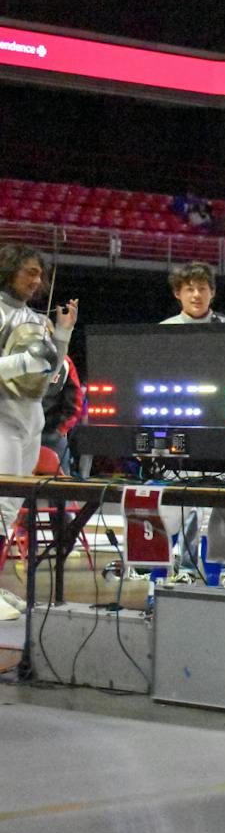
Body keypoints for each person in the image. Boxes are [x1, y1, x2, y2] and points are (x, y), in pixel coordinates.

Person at [0, 246, 78, 620]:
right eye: (28, 272)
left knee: (11, 508)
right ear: (8, 269)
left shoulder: (35, 318)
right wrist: (26, 361)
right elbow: (26, 364)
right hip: (1, 417)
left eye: (38, 274)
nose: (36, 280)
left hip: (30, 418)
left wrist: (62, 334)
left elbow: (51, 372)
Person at [159, 263, 225, 587]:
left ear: (212, 292)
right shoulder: (165, 330)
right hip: (182, 425)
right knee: (187, 499)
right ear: (178, 293)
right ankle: (185, 566)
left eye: (202, 288)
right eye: (189, 288)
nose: (196, 294)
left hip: (223, 425)